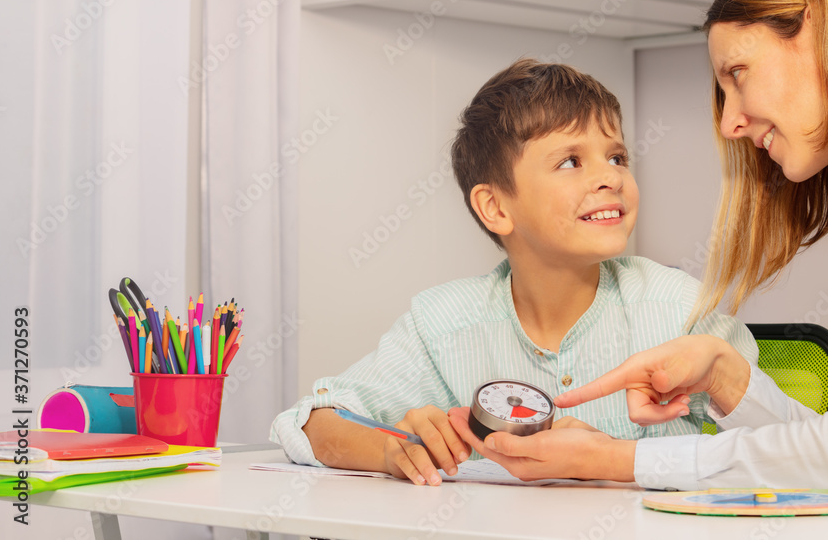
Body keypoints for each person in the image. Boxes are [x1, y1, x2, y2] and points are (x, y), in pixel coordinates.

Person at [450, 0, 828, 494]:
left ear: (824, 32)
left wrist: (616, 460)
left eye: (737, 73)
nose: (730, 123)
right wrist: (725, 376)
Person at [270, 58, 757, 485]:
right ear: (495, 207)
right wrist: (390, 450)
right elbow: (306, 423)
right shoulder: (442, 322)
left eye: (616, 157)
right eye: (570, 161)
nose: (610, 177)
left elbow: (785, 453)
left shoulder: (683, 309)